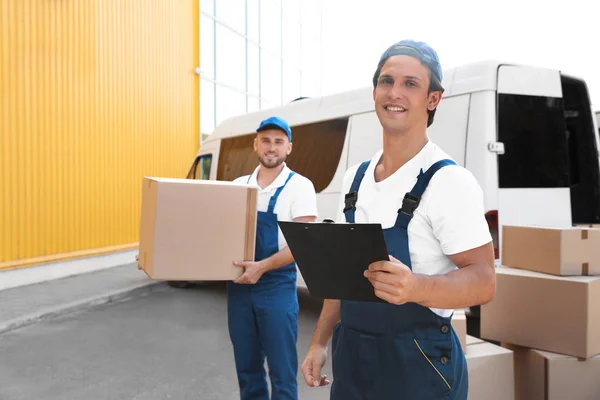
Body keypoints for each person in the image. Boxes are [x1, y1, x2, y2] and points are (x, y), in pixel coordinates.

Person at [300, 40, 496, 399]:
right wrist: (319, 341)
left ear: (433, 99)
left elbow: (484, 281)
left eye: (411, 84)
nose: (395, 93)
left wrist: (415, 287)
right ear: (375, 90)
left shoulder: (448, 181)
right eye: (386, 81)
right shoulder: (354, 180)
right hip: (353, 361)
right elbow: (342, 278)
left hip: (418, 364)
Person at [228, 116, 318, 400]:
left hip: (276, 286)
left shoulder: (300, 186)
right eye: (265, 141)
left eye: (278, 142)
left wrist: (263, 267)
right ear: (256, 145)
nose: (271, 147)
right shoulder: (238, 185)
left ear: (288, 148)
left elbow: (304, 245)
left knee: (282, 371)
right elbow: (217, 233)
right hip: (239, 284)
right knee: (247, 368)